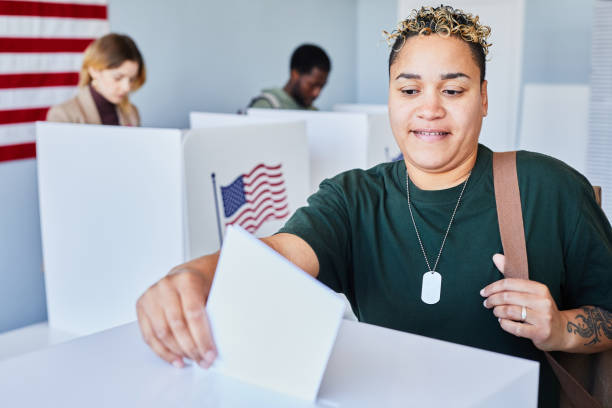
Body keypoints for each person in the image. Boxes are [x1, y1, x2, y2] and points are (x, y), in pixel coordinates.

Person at [136, 6, 612, 407]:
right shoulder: (353, 200)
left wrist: (562, 329)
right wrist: (196, 276)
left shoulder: (549, 188)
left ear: (483, 98)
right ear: (389, 98)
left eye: (453, 89)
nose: (429, 109)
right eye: (409, 90)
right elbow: (279, 254)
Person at [46, 33, 145, 126]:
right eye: (117, 78)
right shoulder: (63, 115)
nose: (126, 87)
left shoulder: (132, 113)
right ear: (94, 71)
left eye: (131, 79)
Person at [247, 44, 330, 110]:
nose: (317, 93)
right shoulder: (266, 105)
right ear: (295, 74)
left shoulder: (314, 112)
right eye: (312, 85)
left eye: (322, 86)